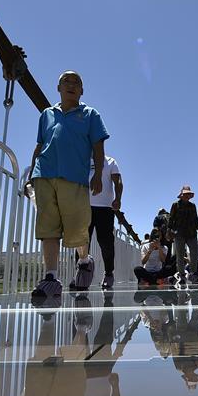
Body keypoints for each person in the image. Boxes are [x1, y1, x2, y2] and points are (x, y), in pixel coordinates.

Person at [26, 70, 109, 305]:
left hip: (74, 178)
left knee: (77, 228)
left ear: (82, 91)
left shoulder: (90, 114)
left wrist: (99, 175)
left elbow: (98, 147)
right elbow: (40, 145)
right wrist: (32, 173)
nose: (71, 84)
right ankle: (51, 278)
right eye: (66, 81)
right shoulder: (46, 115)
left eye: (76, 82)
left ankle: (84, 260)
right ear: (58, 88)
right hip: (45, 175)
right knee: (48, 226)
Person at [71, 154, 123, 290]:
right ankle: (79, 274)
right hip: (84, 206)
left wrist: (117, 198)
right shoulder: (82, 159)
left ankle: (109, 273)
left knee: (105, 242)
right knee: (81, 241)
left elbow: (117, 181)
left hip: (105, 207)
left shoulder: (111, 161)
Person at [168, 185, 198, 284]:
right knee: (180, 255)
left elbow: (196, 218)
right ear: (181, 195)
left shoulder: (193, 206)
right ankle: (181, 275)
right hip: (179, 233)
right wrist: (169, 230)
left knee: (194, 254)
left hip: (191, 233)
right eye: (186, 194)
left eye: (189, 194)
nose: (187, 196)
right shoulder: (175, 205)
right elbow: (171, 218)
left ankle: (193, 274)